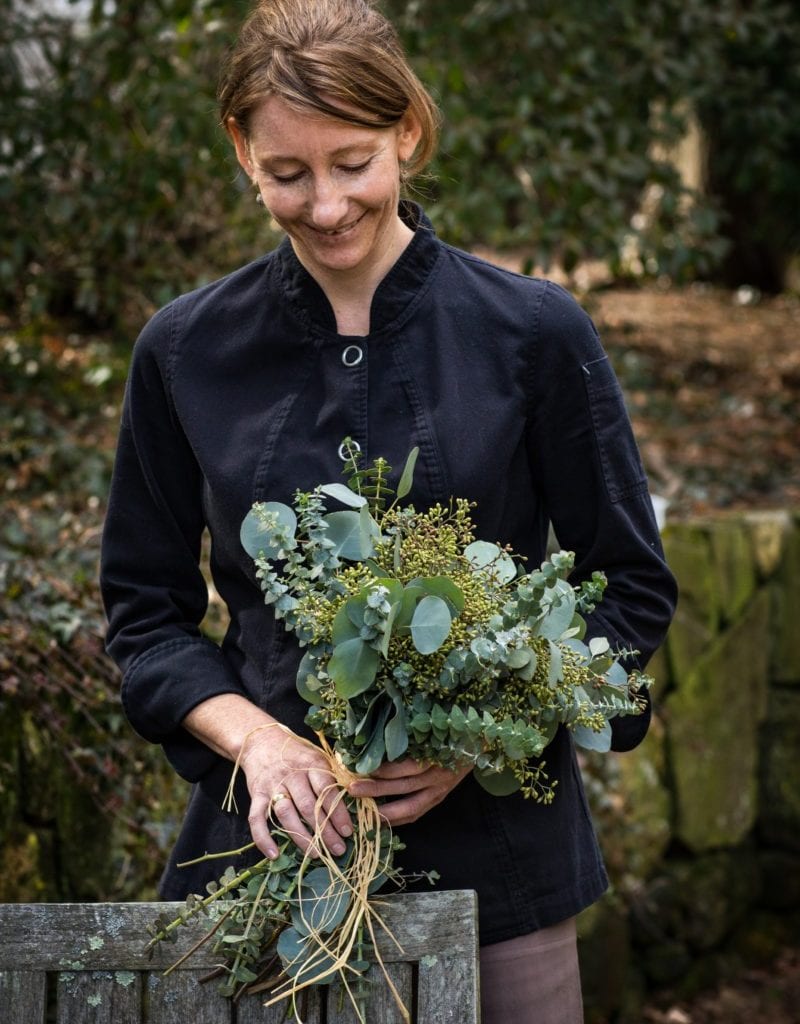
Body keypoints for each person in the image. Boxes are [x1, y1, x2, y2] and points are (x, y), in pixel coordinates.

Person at [100, 1, 677, 1020]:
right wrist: (258, 745)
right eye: (287, 173)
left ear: (406, 132)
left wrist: (480, 734)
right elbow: (143, 619)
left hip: (501, 872)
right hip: (262, 869)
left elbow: (628, 593)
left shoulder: (535, 336)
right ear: (241, 151)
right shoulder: (184, 350)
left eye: (352, 162)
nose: (324, 206)